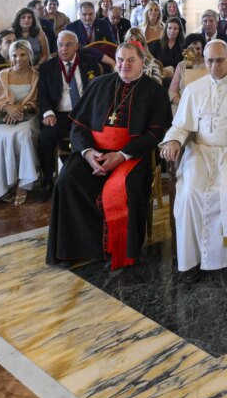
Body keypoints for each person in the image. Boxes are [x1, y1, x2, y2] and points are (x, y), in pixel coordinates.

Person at [47, 42, 172, 269]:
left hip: (132, 155)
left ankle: (117, 250)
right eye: (121, 60)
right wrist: (87, 153)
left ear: (142, 62)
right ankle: (75, 249)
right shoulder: (99, 84)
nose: (124, 65)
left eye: (131, 60)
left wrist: (122, 155)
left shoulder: (154, 91)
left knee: (130, 187)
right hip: (94, 153)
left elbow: (156, 133)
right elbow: (78, 125)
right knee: (67, 181)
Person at [161, 40, 227, 286]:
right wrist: (174, 141)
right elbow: (181, 126)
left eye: (219, 60)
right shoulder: (193, 89)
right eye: (209, 61)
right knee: (190, 194)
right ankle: (192, 260)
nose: (214, 65)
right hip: (199, 152)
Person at [0, 40, 40, 206]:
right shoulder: (2, 75)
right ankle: (5, 183)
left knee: (23, 134)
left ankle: (24, 184)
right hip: (2, 118)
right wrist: (8, 108)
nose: (18, 59)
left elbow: (37, 102)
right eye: (14, 55)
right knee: (1, 137)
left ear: (30, 55)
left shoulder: (36, 76)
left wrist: (20, 109)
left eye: (22, 55)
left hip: (28, 117)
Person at [37, 30, 101, 198]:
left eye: (68, 45)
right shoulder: (47, 68)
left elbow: (98, 91)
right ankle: (47, 180)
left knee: (98, 134)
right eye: (60, 45)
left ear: (76, 46)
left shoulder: (89, 63)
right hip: (59, 115)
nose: (63, 49)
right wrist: (47, 113)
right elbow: (42, 95)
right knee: (45, 138)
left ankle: (93, 176)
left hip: (84, 114)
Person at [168, 33, 206, 107]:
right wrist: (181, 103)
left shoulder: (209, 64)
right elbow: (172, 91)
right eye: (191, 49)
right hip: (183, 104)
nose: (195, 52)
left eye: (198, 48)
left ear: (203, 49)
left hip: (204, 105)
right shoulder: (181, 65)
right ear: (186, 50)